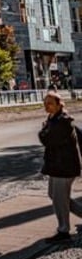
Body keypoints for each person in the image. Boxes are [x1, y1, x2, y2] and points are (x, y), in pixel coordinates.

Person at [39, 91, 82, 243]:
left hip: (64, 166)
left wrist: (43, 131)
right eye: (45, 103)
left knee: (59, 199)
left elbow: (46, 139)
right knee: (55, 195)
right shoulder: (53, 118)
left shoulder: (62, 121)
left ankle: (63, 231)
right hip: (58, 166)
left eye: (50, 103)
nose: (46, 106)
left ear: (59, 104)